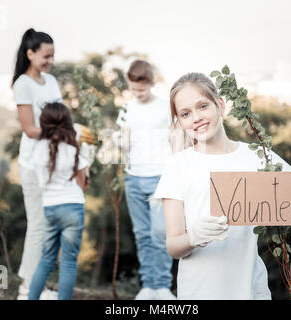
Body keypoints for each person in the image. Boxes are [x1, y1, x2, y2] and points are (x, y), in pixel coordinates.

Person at [153, 72, 291, 299]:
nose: (196, 117)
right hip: (197, 293)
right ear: (180, 121)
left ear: (220, 105)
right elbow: (173, 245)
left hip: (251, 291)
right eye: (185, 113)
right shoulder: (177, 166)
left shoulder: (257, 157)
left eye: (203, 106)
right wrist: (194, 236)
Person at [115, 60, 176, 300]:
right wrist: (119, 143)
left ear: (151, 83)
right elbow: (123, 141)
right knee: (141, 234)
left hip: (160, 176)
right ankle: (148, 285)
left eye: (141, 89)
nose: (137, 94)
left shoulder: (165, 107)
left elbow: (176, 139)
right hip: (133, 178)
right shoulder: (127, 108)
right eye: (132, 89)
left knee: (160, 233)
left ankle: (162, 285)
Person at [12, 28, 62, 300]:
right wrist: (61, 131)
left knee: (50, 224)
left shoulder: (51, 81)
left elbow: (62, 115)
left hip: (53, 163)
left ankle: (38, 285)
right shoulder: (23, 84)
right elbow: (30, 129)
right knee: (38, 225)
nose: (50, 61)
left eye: (53, 56)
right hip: (32, 164)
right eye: (46, 55)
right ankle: (26, 289)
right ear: (30, 54)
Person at [28, 102, 89, 300]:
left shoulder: (37, 150)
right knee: (69, 262)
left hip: (50, 209)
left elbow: (41, 182)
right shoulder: (73, 149)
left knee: (46, 260)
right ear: (68, 123)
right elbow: (83, 184)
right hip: (73, 208)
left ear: (44, 123)